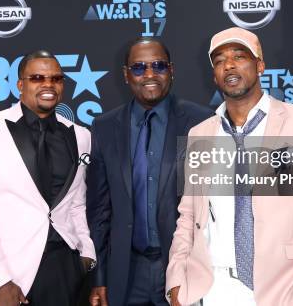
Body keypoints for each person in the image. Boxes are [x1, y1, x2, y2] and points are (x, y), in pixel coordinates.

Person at [167, 28, 293, 306]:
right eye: (220, 60)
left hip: (285, 289)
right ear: (214, 75)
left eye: (239, 56)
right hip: (214, 289)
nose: (229, 65)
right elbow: (188, 215)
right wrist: (176, 280)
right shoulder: (200, 134)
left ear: (260, 65)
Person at [0, 50, 96, 306]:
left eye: (56, 79)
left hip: (65, 272)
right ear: (20, 84)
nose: (48, 85)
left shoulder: (80, 135)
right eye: (37, 78)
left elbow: (76, 203)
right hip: (9, 273)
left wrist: (87, 253)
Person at [87, 37, 212, 306]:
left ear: (172, 70)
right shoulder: (104, 127)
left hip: (184, 268)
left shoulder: (203, 123)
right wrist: (99, 277)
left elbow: (213, 206)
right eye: (139, 68)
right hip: (126, 272)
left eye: (159, 66)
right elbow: (99, 212)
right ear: (126, 75)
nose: (150, 74)